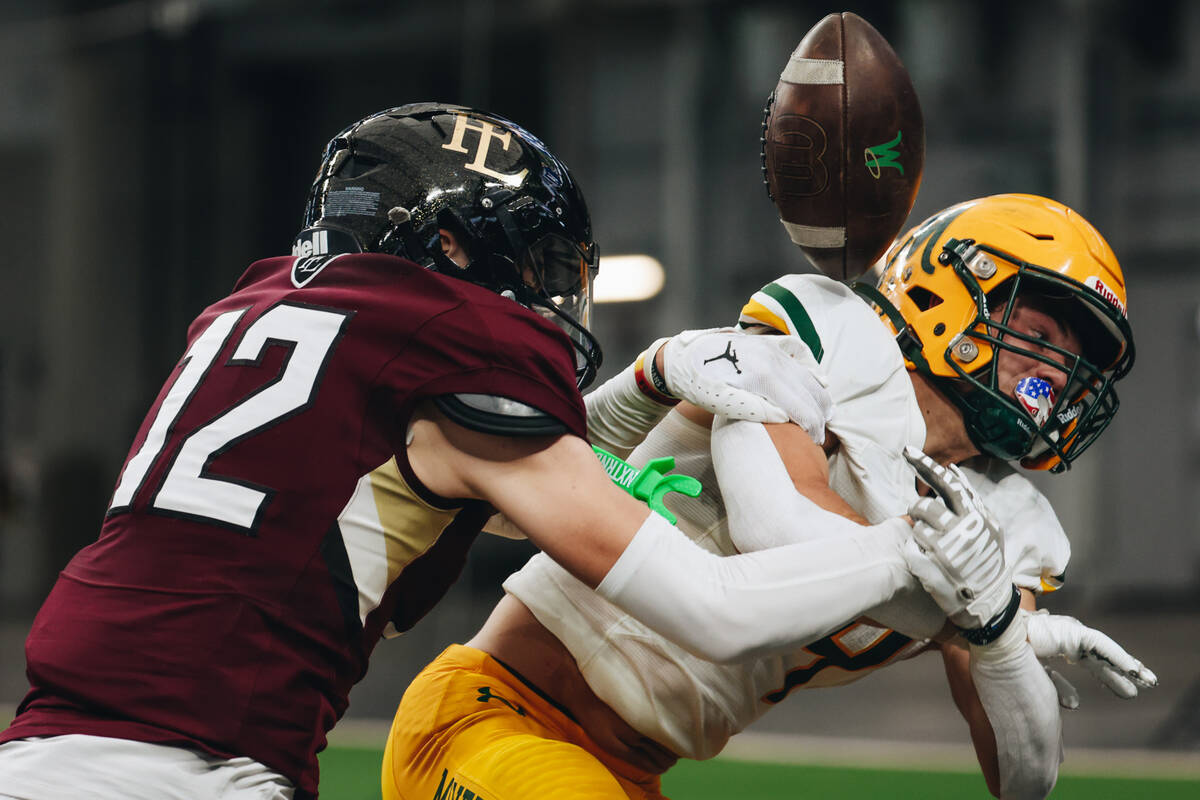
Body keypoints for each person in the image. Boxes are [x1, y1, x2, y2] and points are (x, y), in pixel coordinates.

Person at [0, 103, 995, 800]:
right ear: (456, 249)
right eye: (533, 259)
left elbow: (467, 471)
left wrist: (648, 381)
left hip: (44, 747)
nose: (548, 294)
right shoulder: (449, 339)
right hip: (190, 769)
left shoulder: (261, 309)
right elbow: (714, 611)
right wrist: (914, 551)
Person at [382, 194, 1157, 800]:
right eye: (1047, 334)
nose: (1058, 375)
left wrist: (993, 633)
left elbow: (1026, 776)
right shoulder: (831, 336)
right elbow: (775, 530)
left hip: (628, 775)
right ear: (958, 283)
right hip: (495, 717)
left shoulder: (1011, 521)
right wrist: (981, 619)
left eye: (1079, 360)